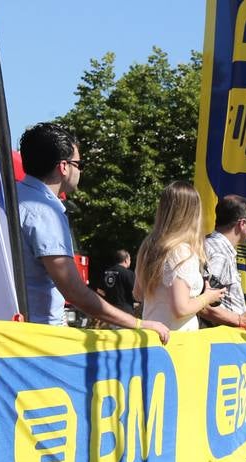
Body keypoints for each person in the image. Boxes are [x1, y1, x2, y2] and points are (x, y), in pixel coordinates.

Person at [15, 122, 169, 341]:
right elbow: (74, 292)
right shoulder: (45, 212)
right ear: (64, 167)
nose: (81, 171)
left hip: (7, 334)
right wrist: (138, 323)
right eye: (79, 163)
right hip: (38, 340)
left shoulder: (8, 198)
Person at [134, 180, 226, 334]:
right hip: (177, 342)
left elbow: (137, 293)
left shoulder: (148, 246)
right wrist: (208, 297)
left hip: (151, 338)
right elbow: (181, 309)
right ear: (193, 212)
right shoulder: (181, 252)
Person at [201, 194, 246, 331]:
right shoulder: (220, 255)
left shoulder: (210, 244)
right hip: (221, 342)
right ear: (242, 224)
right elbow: (203, 304)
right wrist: (240, 319)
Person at [94, 250, 136, 322]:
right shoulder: (128, 274)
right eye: (130, 259)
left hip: (110, 310)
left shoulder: (106, 272)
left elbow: (99, 290)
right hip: (125, 311)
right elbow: (135, 291)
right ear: (126, 260)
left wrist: (107, 298)